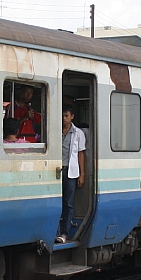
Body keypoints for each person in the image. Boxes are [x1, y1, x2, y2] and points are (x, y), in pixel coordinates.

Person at [57, 104, 86, 244]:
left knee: (68, 203)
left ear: (72, 117)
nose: (63, 119)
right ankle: (56, 231)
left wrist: (82, 174)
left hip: (71, 171)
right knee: (56, 201)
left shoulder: (78, 133)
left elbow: (81, 154)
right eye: (62, 115)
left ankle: (64, 233)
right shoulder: (55, 130)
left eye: (66, 116)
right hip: (56, 169)